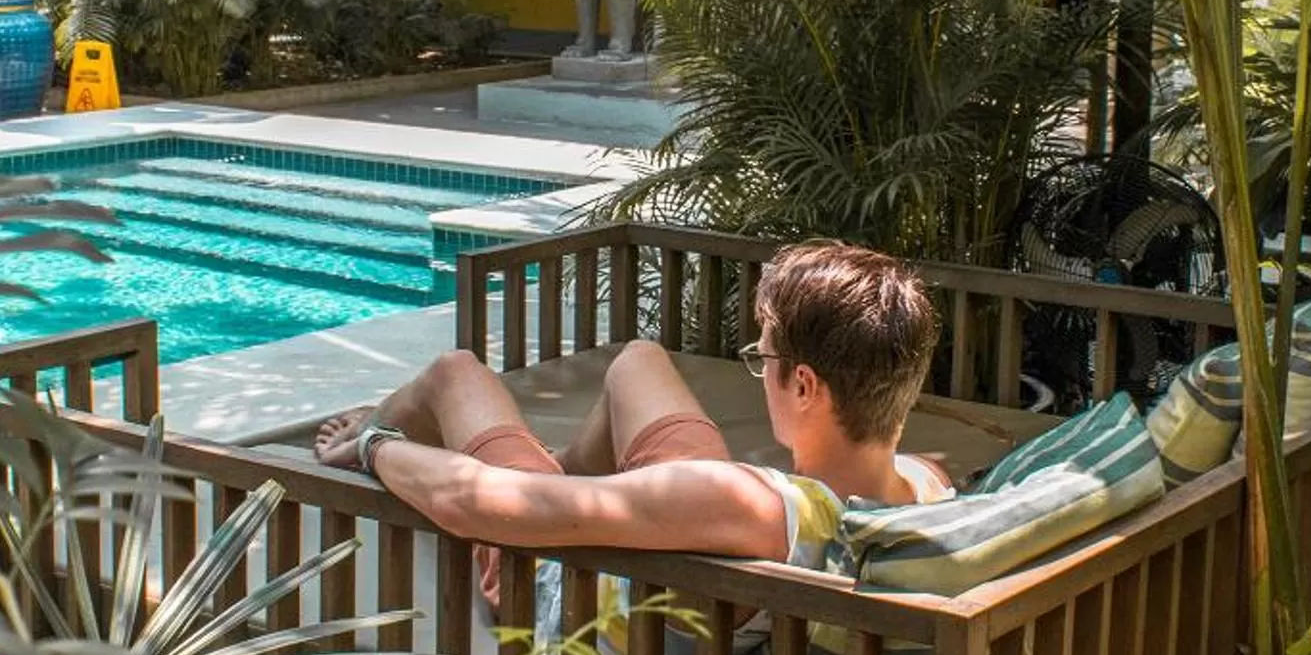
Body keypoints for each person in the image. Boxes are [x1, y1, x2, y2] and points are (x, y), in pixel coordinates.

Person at [313, 239, 951, 597]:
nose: (760, 371)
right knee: (637, 361)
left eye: (764, 357)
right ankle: (556, 474)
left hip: (565, 595)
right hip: (702, 514)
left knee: (456, 373)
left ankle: (384, 424)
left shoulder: (744, 501)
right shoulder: (927, 487)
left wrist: (378, 446)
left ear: (805, 386)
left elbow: (472, 504)